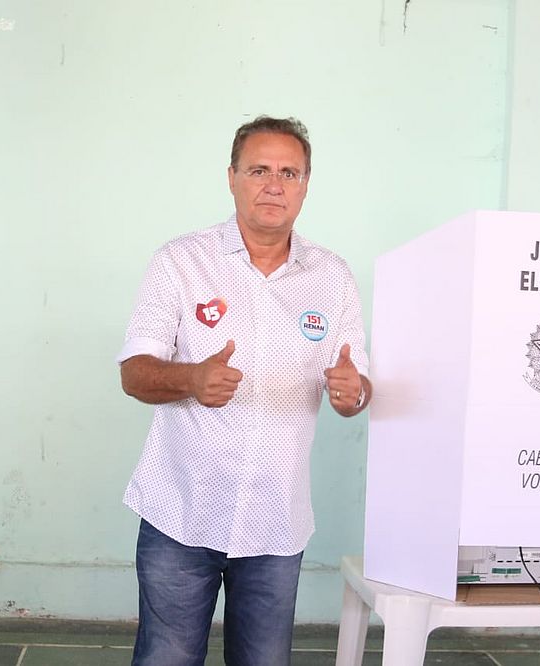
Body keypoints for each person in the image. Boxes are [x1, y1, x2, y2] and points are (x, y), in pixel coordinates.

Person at [116, 115, 373, 666]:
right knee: (165, 658)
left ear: (305, 185)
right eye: (259, 170)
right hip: (180, 510)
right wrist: (191, 378)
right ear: (231, 177)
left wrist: (354, 393)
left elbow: (358, 388)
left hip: (275, 520)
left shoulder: (333, 277)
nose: (274, 185)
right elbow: (133, 373)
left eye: (289, 173)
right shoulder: (181, 261)